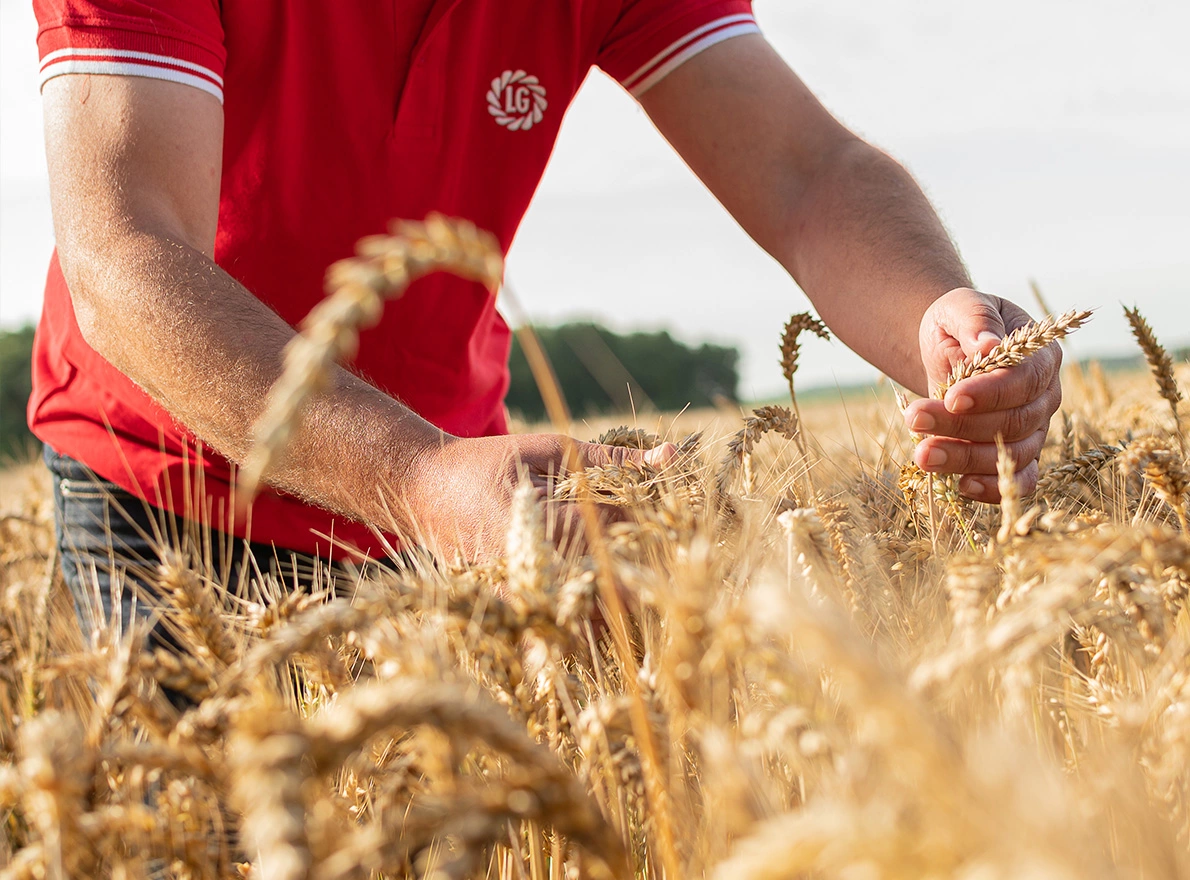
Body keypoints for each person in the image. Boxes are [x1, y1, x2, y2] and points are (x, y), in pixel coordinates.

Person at [29, 0, 1061, 632]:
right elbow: (123, 246)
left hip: (463, 496)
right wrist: (415, 476)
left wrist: (936, 315)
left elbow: (806, 172)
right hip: (162, 487)